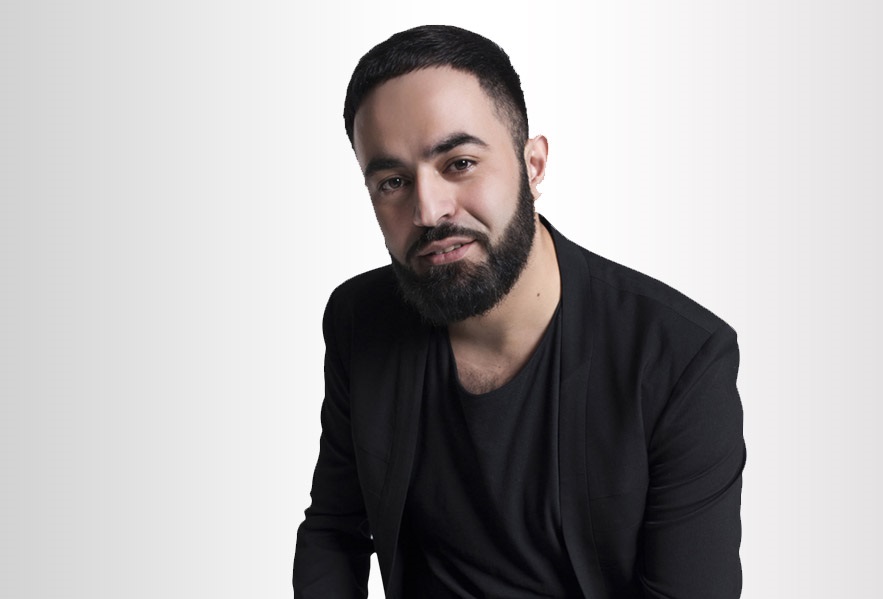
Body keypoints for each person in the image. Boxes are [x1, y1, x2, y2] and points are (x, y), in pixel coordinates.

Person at [293, 25, 745, 598]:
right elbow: (335, 529)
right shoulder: (360, 318)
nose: (428, 211)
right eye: (392, 182)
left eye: (459, 163)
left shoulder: (678, 359)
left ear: (533, 165)